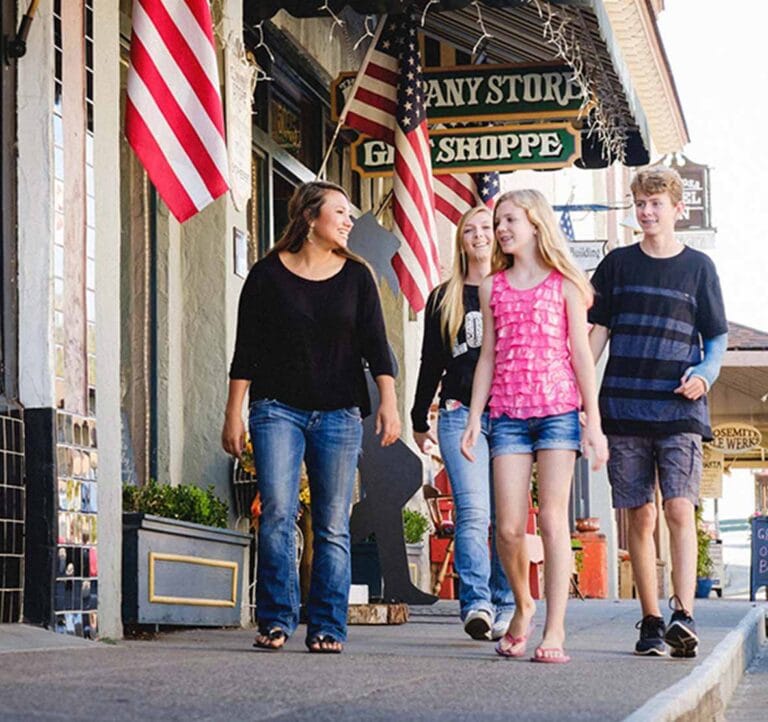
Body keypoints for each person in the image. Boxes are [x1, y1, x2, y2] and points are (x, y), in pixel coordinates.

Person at [221, 180, 401, 654]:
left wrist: (389, 402)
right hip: (276, 408)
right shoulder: (265, 276)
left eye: (349, 214)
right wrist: (233, 415)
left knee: (332, 523)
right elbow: (246, 353)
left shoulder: (357, 277)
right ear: (309, 219)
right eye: (339, 213)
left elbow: (376, 346)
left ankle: (327, 626)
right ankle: (277, 620)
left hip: (339, 412)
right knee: (278, 511)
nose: (348, 221)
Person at [461, 189, 608, 664]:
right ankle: (523, 604)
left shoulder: (565, 284)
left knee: (550, 519)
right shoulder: (493, 287)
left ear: (536, 225)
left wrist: (594, 423)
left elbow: (582, 356)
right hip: (507, 416)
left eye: (509, 221)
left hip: (557, 413)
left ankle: (555, 628)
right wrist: (472, 418)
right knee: (505, 528)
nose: (500, 229)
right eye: (498, 221)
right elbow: (488, 357)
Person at [588, 166, 727, 658]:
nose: (647, 212)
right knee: (640, 518)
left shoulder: (699, 268)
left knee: (678, 508)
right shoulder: (616, 265)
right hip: (623, 407)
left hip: (679, 407)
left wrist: (705, 374)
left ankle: (683, 615)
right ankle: (650, 620)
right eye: (640, 204)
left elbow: (716, 336)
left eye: (656, 204)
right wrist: (582, 396)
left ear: (676, 210)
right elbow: (596, 335)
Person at [410, 205, 515, 641]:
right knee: (473, 512)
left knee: (508, 517)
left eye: (485, 228)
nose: (478, 235)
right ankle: (477, 604)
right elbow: (431, 360)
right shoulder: (445, 295)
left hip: (510, 414)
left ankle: (507, 600)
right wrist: (420, 416)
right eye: (468, 230)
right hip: (456, 413)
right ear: (460, 242)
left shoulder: (515, 288)